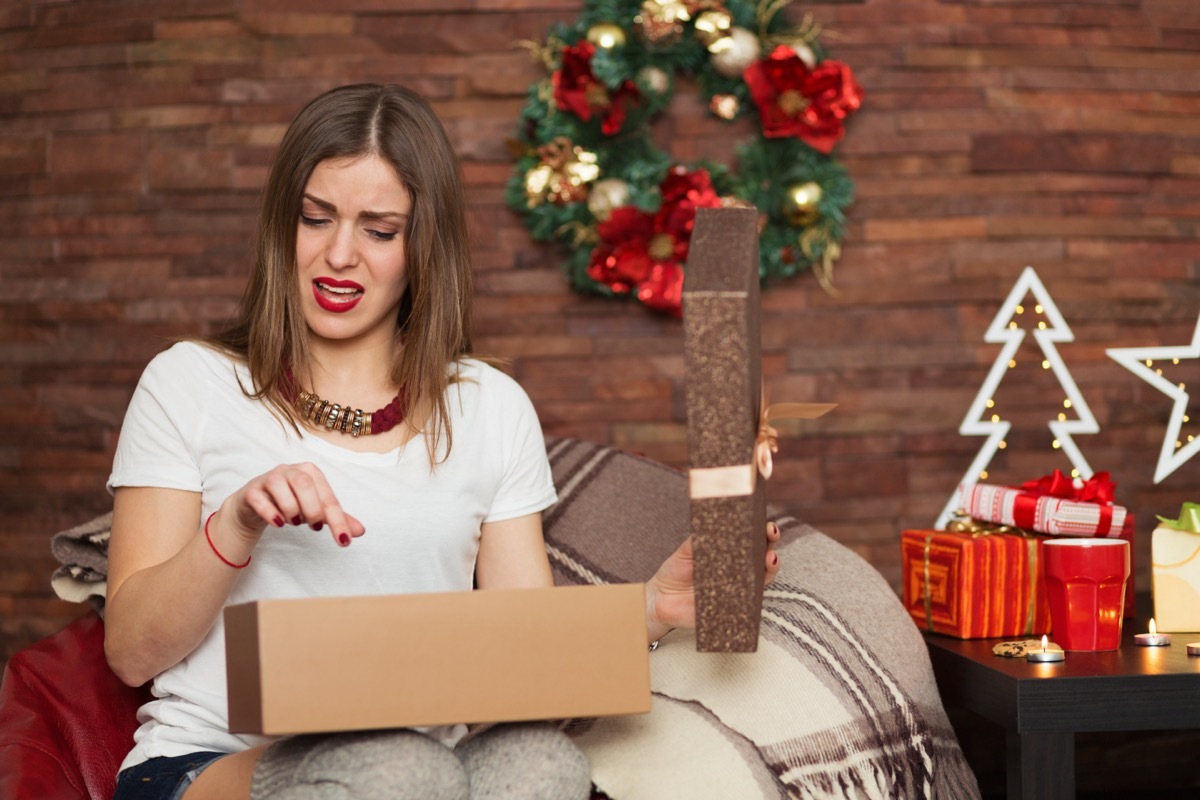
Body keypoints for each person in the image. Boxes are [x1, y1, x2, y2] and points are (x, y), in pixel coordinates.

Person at [103, 82, 783, 800]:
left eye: (379, 230)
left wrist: (653, 608)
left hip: (426, 765)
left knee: (540, 762)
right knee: (399, 768)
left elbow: (527, 658)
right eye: (315, 218)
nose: (339, 254)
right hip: (211, 768)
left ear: (422, 245)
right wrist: (235, 523)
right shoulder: (190, 383)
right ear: (283, 226)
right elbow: (130, 651)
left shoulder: (488, 406)